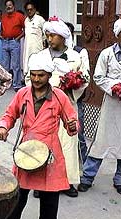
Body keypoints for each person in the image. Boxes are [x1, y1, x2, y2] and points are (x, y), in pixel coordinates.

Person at [0, 52, 78, 219]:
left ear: (48, 75)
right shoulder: (22, 94)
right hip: (25, 154)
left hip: (50, 158)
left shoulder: (59, 96)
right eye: (33, 75)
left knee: (49, 210)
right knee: (14, 207)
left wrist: (72, 126)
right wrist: (3, 127)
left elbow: (72, 122)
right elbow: (9, 114)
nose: (36, 79)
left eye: (41, 75)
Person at [29, 16, 89, 198]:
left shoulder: (75, 56)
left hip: (66, 105)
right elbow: (28, 79)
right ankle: (39, 183)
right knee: (42, 143)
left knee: (67, 144)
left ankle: (67, 181)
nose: (49, 39)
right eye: (47, 35)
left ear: (63, 37)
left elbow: (84, 78)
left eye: (53, 35)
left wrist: (72, 86)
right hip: (43, 105)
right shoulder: (39, 57)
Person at [78, 19, 121, 195]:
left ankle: (119, 179)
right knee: (101, 141)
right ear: (118, 35)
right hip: (111, 104)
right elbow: (99, 77)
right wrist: (114, 88)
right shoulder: (107, 54)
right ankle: (87, 177)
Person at [65, 21, 90, 166]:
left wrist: (72, 84)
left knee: (78, 131)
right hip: (56, 98)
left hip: (74, 97)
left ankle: (84, 164)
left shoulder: (80, 52)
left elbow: (85, 76)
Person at [0, 0, 25, 91]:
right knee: (5, 65)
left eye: (10, 5)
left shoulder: (20, 16)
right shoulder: (3, 17)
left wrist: (18, 38)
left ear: (13, 6)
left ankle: (17, 85)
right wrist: (1, 36)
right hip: (5, 42)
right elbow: (2, 29)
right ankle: (6, 84)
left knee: (15, 65)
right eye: (7, 6)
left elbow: (25, 29)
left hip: (14, 42)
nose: (8, 7)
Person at [23, 1, 45, 76]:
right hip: (27, 49)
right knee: (27, 66)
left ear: (35, 9)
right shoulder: (26, 21)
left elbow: (45, 33)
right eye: (27, 10)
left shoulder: (40, 19)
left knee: (37, 67)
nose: (29, 11)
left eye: (31, 9)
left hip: (37, 49)